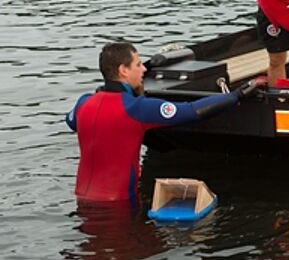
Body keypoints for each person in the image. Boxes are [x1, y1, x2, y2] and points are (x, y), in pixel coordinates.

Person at [66, 42, 261, 202]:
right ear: (123, 70)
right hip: (119, 203)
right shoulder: (137, 109)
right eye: (138, 64)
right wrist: (238, 94)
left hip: (82, 198)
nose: (143, 69)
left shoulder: (83, 103)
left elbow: (71, 121)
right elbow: (193, 111)